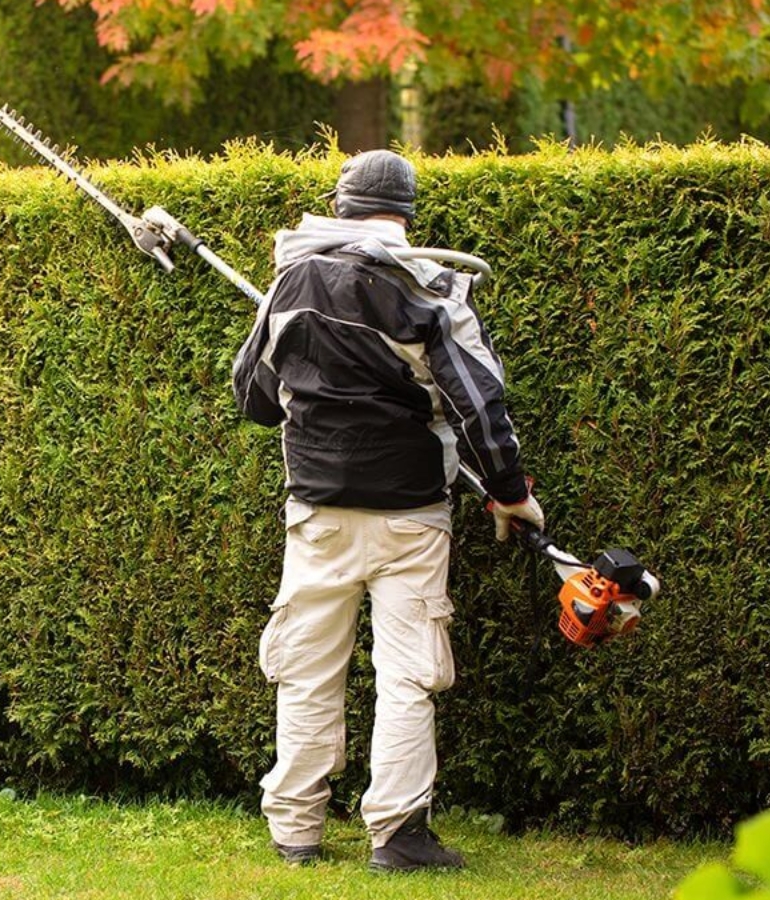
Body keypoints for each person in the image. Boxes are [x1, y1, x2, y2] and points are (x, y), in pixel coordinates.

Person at [231, 150, 545, 871]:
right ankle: (397, 837)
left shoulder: (290, 281)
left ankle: (296, 831)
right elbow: (480, 404)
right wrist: (510, 493)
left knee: (307, 669)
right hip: (410, 515)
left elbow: (251, 395)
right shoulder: (430, 286)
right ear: (405, 215)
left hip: (317, 513)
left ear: (339, 207)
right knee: (407, 674)